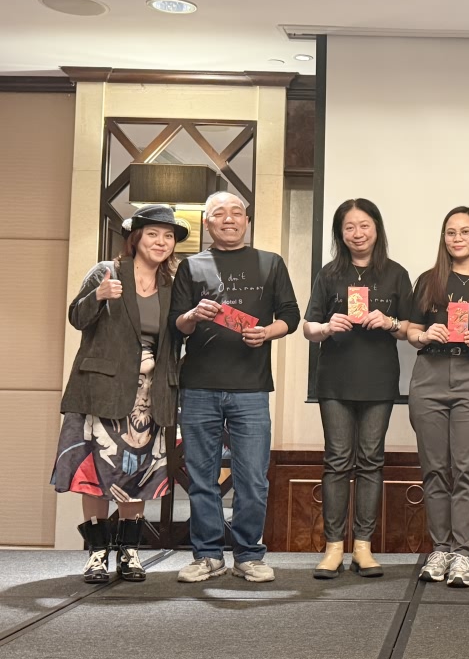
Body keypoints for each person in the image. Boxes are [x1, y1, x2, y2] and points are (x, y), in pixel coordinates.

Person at [169, 192, 300, 584]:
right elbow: (176, 324)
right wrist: (192, 314)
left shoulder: (270, 262)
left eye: (237, 213)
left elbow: (291, 315)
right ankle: (208, 555)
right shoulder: (191, 265)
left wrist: (268, 332)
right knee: (201, 478)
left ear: (247, 220)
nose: (229, 219)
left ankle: (248, 555)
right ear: (207, 222)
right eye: (220, 214)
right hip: (199, 386)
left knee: (252, 479)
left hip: (251, 388)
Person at [53, 205, 186, 583]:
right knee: (95, 472)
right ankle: (97, 554)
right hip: (102, 388)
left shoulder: (172, 283)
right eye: (153, 234)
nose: (161, 242)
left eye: (168, 236)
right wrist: (97, 295)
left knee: (138, 473)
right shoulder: (106, 271)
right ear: (136, 237)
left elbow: (177, 336)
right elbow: (77, 317)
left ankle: (129, 552)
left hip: (148, 393)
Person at [303, 199, 412, 579]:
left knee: (370, 461)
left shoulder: (396, 274)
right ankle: (334, 547)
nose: (357, 233)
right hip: (335, 381)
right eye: (349, 227)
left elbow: (411, 328)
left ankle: (363, 547)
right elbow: (308, 327)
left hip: (379, 381)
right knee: (336, 461)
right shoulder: (330, 273)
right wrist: (327, 327)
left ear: (376, 228)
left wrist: (390, 321)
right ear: (340, 233)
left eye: (364, 225)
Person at [407, 206, 469, 588]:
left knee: (467, 469)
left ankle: (462, 553)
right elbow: (411, 330)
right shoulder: (429, 280)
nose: (457, 238)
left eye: (465, 232)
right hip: (429, 375)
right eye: (450, 232)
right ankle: (440, 549)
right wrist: (424, 335)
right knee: (434, 468)